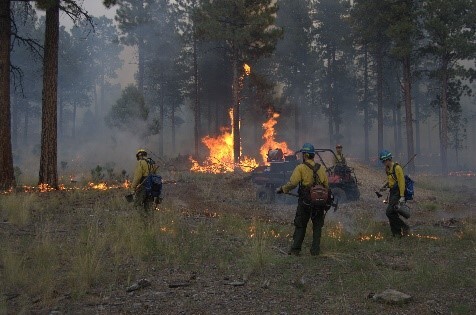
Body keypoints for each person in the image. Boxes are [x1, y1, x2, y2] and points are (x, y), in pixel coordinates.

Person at [276, 143, 330, 256]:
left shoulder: (300, 168)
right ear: (313, 155)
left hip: (305, 202)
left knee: (300, 225)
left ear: (305, 155)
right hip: (319, 203)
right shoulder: (321, 168)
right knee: (317, 227)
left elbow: (293, 183)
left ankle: (295, 250)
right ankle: (315, 251)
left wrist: (282, 189)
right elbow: (326, 186)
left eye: (303, 154)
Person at [379, 149, 410, 237]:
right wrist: (385, 186)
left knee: (389, 212)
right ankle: (396, 234)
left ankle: (404, 226)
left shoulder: (397, 168)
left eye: (385, 161)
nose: (384, 163)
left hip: (398, 192)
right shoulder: (388, 169)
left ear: (389, 159)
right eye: (383, 161)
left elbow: (401, 182)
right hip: (392, 192)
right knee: (392, 213)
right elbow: (391, 181)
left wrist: (402, 196)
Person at [131, 149, 158, 217]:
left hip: (143, 187)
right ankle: (150, 222)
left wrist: (133, 187)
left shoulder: (141, 162)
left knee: (137, 205)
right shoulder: (151, 163)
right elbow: (155, 175)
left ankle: (144, 218)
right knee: (148, 206)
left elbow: (137, 177)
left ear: (139, 155)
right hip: (151, 188)